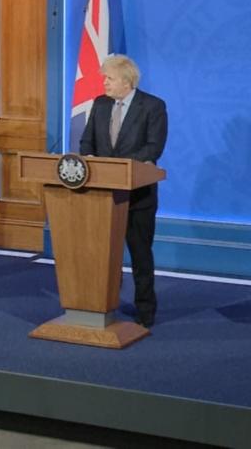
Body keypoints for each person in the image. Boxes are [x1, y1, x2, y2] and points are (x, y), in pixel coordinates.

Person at [80, 55, 168, 328]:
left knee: (140, 254)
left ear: (127, 81)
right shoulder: (100, 104)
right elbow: (87, 141)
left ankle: (145, 311)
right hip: (103, 196)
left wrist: (119, 168)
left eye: (109, 78)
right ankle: (105, 304)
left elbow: (153, 148)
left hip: (138, 197)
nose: (104, 82)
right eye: (104, 77)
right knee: (106, 256)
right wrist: (92, 160)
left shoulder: (152, 106)